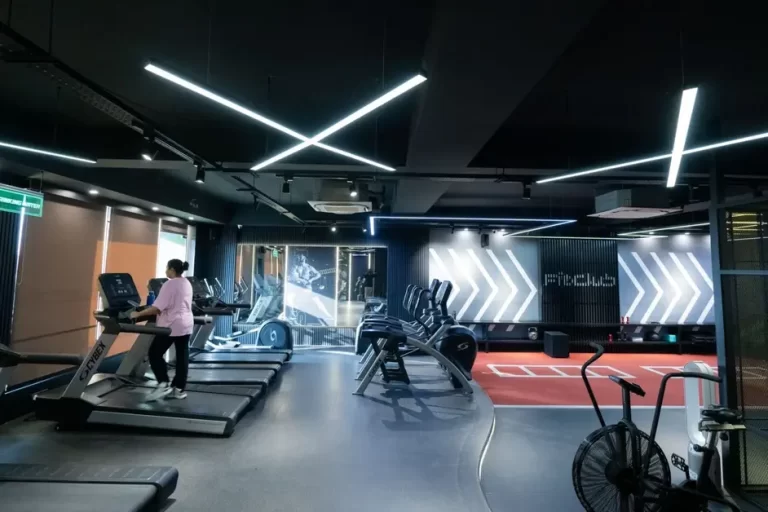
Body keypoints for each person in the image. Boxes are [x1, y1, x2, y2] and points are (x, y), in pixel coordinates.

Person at [130, 259, 194, 401]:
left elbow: (157, 308)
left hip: (172, 325)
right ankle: (178, 389)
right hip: (186, 324)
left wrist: (137, 314)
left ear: (172, 269)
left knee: (154, 354)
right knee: (182, 357)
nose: (166, 271)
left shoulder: (169, 284)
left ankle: (163, 382)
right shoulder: (186, 282)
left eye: (167, 268)